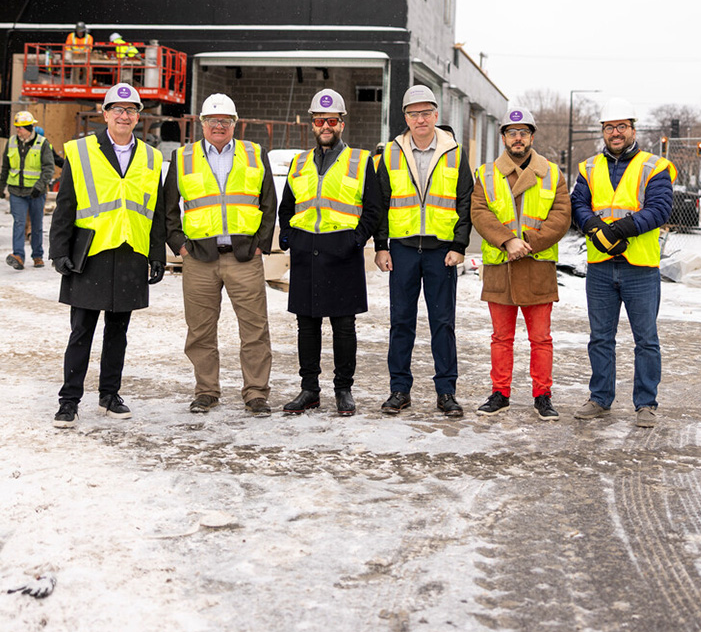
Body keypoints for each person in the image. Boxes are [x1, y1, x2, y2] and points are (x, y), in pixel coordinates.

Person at [49, 84, 165, 428]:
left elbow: (155, 211)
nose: (124, 115)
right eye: (117, 109)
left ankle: (109, 395)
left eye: (131, 110)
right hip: (91, 254)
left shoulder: (151, 157)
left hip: (131, 254)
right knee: (81, 331)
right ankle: (69, 400)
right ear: (105, 114)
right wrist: (59, 251)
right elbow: (65, 205)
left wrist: (156, 253)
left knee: (118, 331)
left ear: (138, 117)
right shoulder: (82, 151)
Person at [164, 93, 276, 416]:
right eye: (212, 121)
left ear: (234, 124)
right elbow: (169, 211)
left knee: (255, 329)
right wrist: (181, 247)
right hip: (199, 258)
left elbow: (269, 204)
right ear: (201, 123)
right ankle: (206, 391)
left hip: (244, 257)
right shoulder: (183, 158)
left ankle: (256, 392)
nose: (218, 126)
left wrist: (260, 244)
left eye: (225, 121)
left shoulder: (255, 154)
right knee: (199, 330)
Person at [571, 97, 676, 428]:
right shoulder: (589, 167)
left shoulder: (654, 166)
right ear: (602, 131)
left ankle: (646, 403)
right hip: (601, 266)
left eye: (621, 127)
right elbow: (578, 205)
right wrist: (594, 227)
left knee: (646, 339)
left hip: (640, 267)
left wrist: (619, 229)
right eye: (609, 127)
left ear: (633, 129)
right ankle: (600, 399)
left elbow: (659, 208)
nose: (615, 133)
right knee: (600, 337)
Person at [278, 89, 381, 416]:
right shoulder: (299, 162)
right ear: (312, 123)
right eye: (320, 120)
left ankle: (343, 389)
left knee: (343, 325)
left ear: (342, 124)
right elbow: (287, 206)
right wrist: (289, 236)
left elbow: (375, 209)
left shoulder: (361, 161)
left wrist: (356, 240)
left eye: (332, 120)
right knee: (306, 325)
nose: (326, 125)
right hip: (307, 251)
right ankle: (309, 389)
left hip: (343, 253)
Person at [375, 84, 473, 418]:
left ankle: (446, 392)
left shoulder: (455, 152)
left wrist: (459, 245)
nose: (420, 119)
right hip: (402, 249)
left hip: (440, 251)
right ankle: (399, 390)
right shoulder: (390, 153)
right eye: (414, 114)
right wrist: (380, 246)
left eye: (426, 113)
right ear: (405, 117)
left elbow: (465, 202)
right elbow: (381, 202)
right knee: (401, 322)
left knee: (442, 323)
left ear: (436, 116)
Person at [471, 107, 572, 420]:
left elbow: (561, 215)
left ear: (532, 136)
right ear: (503, 137)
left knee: (540, 339)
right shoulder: (486, 173)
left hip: (536, 265)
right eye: (512, 132)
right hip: (501, 265)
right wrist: (507, 241)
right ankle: (500, 393)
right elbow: (480, 212)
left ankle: (542, 395)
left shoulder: (552, 173)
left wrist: (528, 241)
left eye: (524, 132)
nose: (518, 138)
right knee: (501, 338)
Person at [1, 110, 55, 270]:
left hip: (36, 193)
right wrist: (1, 185)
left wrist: (39, 187)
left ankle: (37, 255)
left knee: (36, 224)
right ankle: (18, 256)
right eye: (17, 127)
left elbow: (48, 168)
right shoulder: (11, 142)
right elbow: (5, 167)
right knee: (19, 223)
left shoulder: (42, 143)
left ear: (30, 127)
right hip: (16, 192)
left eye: (22, 127)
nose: (18, 130)